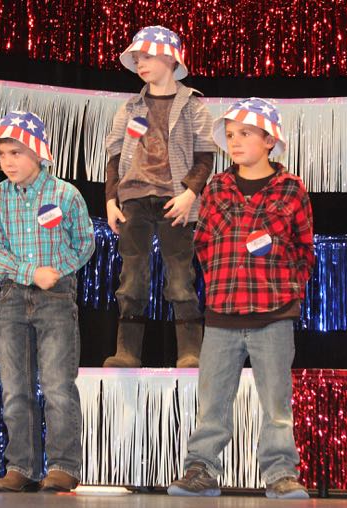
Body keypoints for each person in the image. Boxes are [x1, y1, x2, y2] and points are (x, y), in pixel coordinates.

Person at [168, 98, 313, 499]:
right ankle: (201, 468)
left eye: (245, 133)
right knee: (212, 402)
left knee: (277, 405)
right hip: (222, 314)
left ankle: (281, 473)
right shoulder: (216, 186)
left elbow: (304, 248)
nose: (235, 141)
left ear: (269, 141)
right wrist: (220, 282)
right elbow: (203, 242)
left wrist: (287, 290)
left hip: (274, 315)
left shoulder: (291, 188)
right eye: (230, 135)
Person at [0, 111, 94, 493]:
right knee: (15, 387)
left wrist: (56, 271)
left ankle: (62, 465)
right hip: (12, 297)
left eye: (15, 153)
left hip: (56, 297)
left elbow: (84, 243)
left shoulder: (65, 194)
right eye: (2, 154)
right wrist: (30, 272)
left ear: (39, 153)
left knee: (58, 384)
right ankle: (22, 466)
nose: (7, 161)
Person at [102, 25, 214, 368]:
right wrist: (111, 200)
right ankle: (127, 352)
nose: (140, 64)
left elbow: (205, 157)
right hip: (134, 198)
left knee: (180, 278)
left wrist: (189, 194)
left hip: (174, 200)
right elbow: (114, 156)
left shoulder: (193, 106)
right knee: (131, 278)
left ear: (170, 59)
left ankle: (191, 351)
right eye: (137, 58)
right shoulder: (130, 107)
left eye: (147, 57)